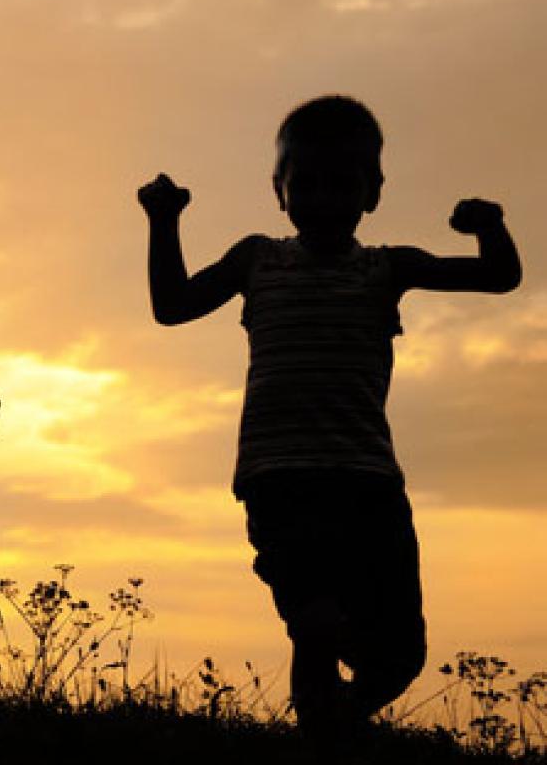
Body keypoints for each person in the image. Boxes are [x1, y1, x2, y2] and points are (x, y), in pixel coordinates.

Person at [138, 94, 522, 737]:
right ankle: (321, 731)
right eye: (304, 183)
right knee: (314, 621)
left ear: (372, 192)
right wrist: (163, 219)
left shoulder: (386, 268)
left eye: (341, 184)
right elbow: (172, 305)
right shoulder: (255, 259)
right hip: (279, 477)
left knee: (399, 657)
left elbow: (498, 277)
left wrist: (490, 224)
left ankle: (334, 722)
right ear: (278, 190)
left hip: (368, 481)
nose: (321, 198)